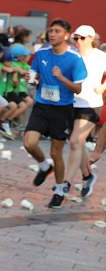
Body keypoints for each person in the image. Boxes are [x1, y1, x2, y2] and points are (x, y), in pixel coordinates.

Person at [22, 19, 88, 208]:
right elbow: (34, 81)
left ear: (66, 35)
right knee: (29, 143)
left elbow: (77, 89)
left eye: (57, 31)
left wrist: (61, 77)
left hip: (62, 109)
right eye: (50, 31)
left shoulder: (74, 58)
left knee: (56, 152)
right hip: (42, 105)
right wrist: (31, 79)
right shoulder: (41, 53)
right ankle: (44, 165)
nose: (52, 34)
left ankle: (59, 190)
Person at [65, 25, 106, 198]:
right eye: (75, 38)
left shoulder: (101, 56)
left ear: (91, 38)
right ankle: (87, 176)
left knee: (76, 140)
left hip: (91, 104)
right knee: (78, 143)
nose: (78, 41)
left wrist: (103, 87)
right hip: (71, 103)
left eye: (81, 38)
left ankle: (64, 184)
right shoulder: (72, 55)